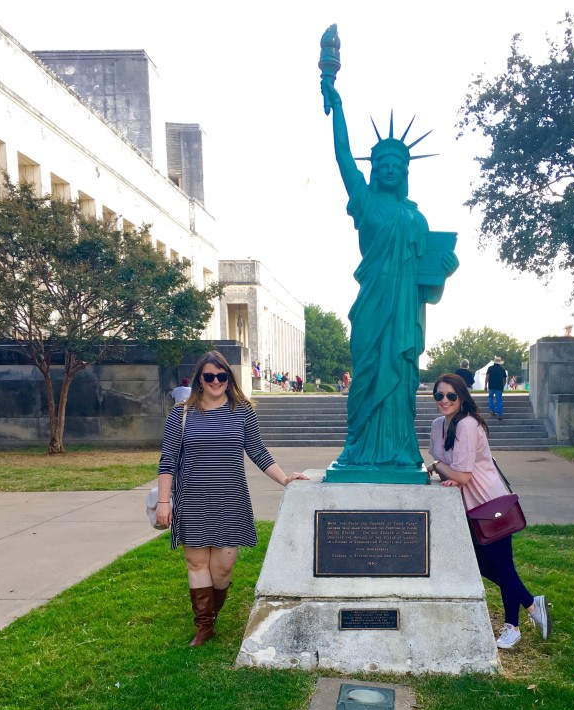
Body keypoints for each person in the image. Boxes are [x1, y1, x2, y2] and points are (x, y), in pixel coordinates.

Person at [322, 78, 458, 471]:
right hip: (373, 302)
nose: (389, 170)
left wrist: (444, 271)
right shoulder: (363, 201)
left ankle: (399, 450)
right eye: (382, 164)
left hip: (405, 310)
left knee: (400, 379)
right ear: (374, 170)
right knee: (364, 374)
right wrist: (338, 105)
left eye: (397, 165)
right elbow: (343, 156)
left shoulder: (417, 217)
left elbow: (427, 284)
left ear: (406, 171)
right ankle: (358, 447)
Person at [156, 350, 308, 647]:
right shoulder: (182, 413)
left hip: (230, 498)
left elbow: (258, 451)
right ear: (199, 379)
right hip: (192, 498)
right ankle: (204, 625)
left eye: (221, 376)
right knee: (196, 562)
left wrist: (284, 479)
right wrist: (164, 502)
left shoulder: (242, 411)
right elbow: (167, 460)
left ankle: (211, 613)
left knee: (223, 568)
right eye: (209, 376)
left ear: (229, 378)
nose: (216, 381)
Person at [426, 373, 551, 650]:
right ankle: (532, 603)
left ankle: (512, 626)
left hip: (488, 504)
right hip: (465, 507)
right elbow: (449, 467)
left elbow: (463, 475)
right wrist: (446, 471)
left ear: (462, 397)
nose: (444, 401)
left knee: (504, 567)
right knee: (482, 565)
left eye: (450, 396)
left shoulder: (468, 425)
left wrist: (438, 468)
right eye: (439, 396)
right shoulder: (437, 425)